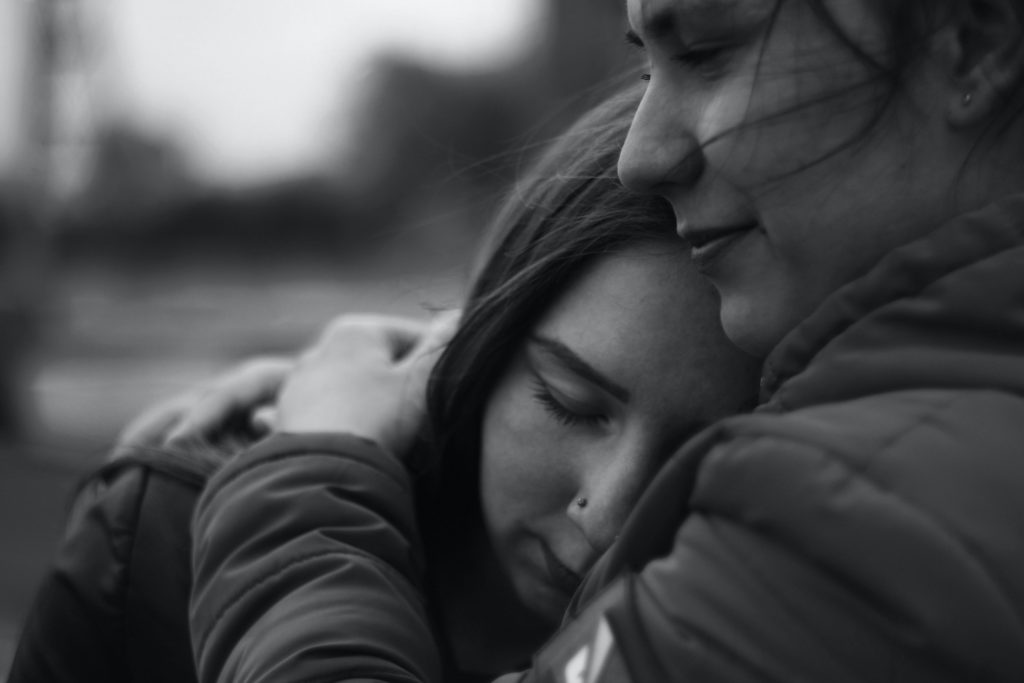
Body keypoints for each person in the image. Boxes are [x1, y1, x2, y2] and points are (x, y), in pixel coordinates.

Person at [190, 0, 1024, 681]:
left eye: (705, 52)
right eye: (563, 398)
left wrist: (310, 467)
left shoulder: (844, 531)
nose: (640, 155)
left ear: (976, 45)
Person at [7, 86, 758, 682]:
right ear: (479, 346)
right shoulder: (163, 537)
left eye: (701, 456)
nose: (609, 516)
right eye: (567, 401)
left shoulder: (791, 628)